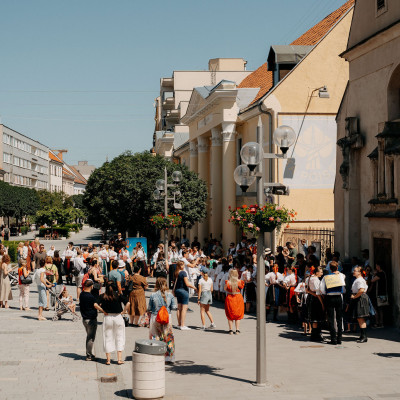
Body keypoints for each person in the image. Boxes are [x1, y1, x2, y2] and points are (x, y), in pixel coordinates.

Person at [147, 277, 177, 363]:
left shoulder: (153, 295)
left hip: (155, 316)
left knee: (155, 336)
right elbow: (173, 307)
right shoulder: (170, 295)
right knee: (168, 336)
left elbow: (149, 308)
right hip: (167, 317)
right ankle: (169, 357)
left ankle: (156, 355)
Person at [98, 282, 129, 365]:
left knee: (107, 337)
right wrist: (124, 311)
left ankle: (108, 360)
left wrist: (103, 311)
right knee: (120, 336)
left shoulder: (103, 296)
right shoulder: (118, 295)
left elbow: (95, 304)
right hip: (118, 317)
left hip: (108, 317)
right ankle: (119, 359)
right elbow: (128, 303)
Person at [320, 261, 346, 345]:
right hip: (338, 296)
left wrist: (326, 293)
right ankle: (339, 338)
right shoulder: (341, 276)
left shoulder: (326, 277)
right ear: (337, 268)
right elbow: (344, 287)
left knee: (330, 318)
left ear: (330, 269)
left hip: (329, 297)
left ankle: (333, 338)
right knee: (339, 317)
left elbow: (322, 289)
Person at [79, 279, 104, 361]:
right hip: (91, 319)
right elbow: (95, 305)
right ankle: (89, 355)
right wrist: (103, 311)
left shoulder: (82, 294)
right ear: (91, 286)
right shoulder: (90, 296)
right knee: (91, 338)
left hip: (84, 319)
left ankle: (89, 353)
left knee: (89, 336)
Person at [173, 260, 197, 330]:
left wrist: (173, 290)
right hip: (183, 291)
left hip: (177, 290)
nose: (184, 266)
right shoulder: (183, 272)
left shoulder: (177, 272)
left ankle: (179, 324)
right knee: (184, 309)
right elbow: (187, 283)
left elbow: (175, 282)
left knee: (179, 308)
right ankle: (182, 325)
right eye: (183, 265)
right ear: (181, 266)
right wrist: (194, 287)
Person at [349, 266, 370, 343]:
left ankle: (364, 336)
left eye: (355, 271)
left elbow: (361, 290)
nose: (353, 272)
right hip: (359, 298)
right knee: (359, 318)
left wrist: (355, 297)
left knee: (361, 317)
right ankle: (362, 335)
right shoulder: (358, 280)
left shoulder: (360, 280)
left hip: (360, 299)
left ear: (359, 272)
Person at [306, 266, 326, 342]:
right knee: (317, 317)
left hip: (310, 297)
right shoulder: (316, 280)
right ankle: (316, 335)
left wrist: (311, 293)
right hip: (316, 299)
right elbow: (318, 293)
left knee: (313, 317)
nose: (322, 273)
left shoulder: (308, 278)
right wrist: (322, 303)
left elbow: (306, 290)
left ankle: (314, 335)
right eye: (321, 272)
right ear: (317, 272)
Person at [224, 269, 245, 335]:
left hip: (230, 298)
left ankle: (230, 330)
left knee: (230, 314)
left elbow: (225, 289)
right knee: (238, 314)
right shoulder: (240, 282)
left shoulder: (228, 282)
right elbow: (242, 287)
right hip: (238, 297)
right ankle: (237, 330)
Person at [370, 262, 388, 328]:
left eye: (376, 266)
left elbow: (372, 280)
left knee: (377, 308)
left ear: (379, 266)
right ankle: (380, 323)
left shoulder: (380, 274)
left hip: (379, 294)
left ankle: (378, 323)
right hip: (381, 294)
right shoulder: (383, 273)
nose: (376, 267)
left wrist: (374, 274)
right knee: (380, 309)